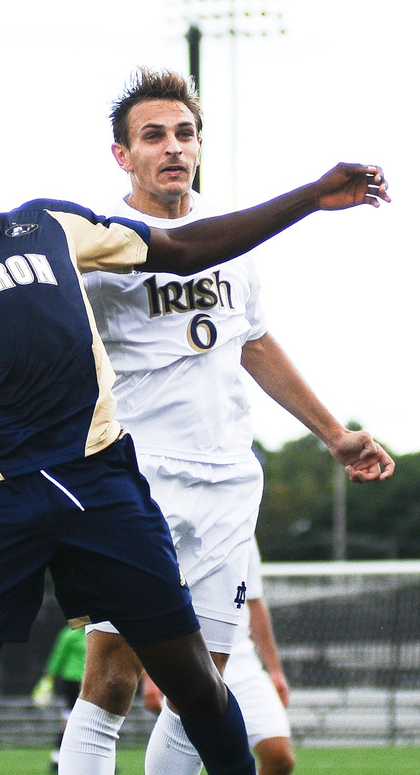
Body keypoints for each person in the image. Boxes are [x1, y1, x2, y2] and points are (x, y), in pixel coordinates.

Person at [0, 125, 391, 775]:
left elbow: (185, 250)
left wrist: (312, 195)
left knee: (195, 684)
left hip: (101, 485)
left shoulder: (46, 225)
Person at [57, 68, 394, 775]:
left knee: (200, 688)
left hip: (227, 488)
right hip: (137, 482)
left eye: (185, 133)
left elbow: (255, 342)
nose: (172, 148)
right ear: (122, 154)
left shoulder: (231, 242)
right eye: (153, 136)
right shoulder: (97, 243)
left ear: (200, 145)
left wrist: (335, 434)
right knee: (113, 676)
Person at [143, 537, 295, 775]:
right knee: (194, 748)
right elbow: (148, 597)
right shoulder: (171, 519)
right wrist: (149, 676)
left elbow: (254, 602)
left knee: (280, 757)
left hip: (242, 661)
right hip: (188, 658)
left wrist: (275, 671)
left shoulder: (243, 527)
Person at [33, 625, 88, 772]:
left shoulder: (97, 632)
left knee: (90, 718)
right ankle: (57, 757)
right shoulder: (70, 634)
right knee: (70, 718)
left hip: (92, 680)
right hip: (73, 681)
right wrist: (48, 679)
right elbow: (58, 656)